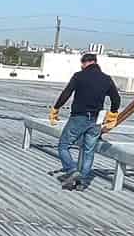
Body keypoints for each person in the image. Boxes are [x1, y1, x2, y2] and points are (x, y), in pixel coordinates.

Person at [48, 51, 119, 188]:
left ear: (84, 63)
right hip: (97, 120)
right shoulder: (106, 78)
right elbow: (116, 98)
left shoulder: (79, 76)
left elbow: (66, 93)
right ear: (95, 62)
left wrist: (56, 108)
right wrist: (113, 115)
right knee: (88, 150)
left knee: (63, 145)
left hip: (79, 117)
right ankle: (82, 181)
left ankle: (72, 170)